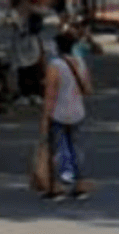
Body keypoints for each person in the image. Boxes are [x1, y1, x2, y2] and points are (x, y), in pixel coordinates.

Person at [41, 31, 92, 201]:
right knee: (77, 149)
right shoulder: (80, 63)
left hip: (58, 113)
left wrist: (45, 119)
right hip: (77, 112)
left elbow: (50, 95)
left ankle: (56, 187)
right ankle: (81, 185)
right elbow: (89, 89)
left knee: (55, 150)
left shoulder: (54, 66)